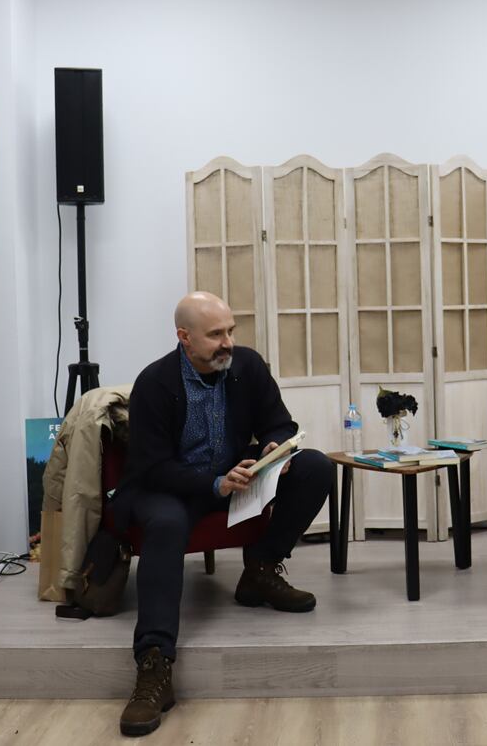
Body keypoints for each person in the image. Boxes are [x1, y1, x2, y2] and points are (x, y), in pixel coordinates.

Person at [114, 291, 333, 737]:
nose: (227, 342)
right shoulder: (154, 384)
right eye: (216, 335)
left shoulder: (247, 366)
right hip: (170, 486)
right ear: (184, 338)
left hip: (233, 475)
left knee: (314, 467)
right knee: (168, 522)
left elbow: (279, 422)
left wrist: (274, 446)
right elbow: (151, 467)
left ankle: (260, 569)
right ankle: (154, 664)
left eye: (231, 330)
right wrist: (214, 483)